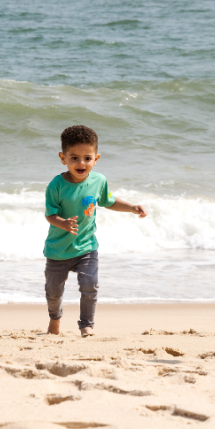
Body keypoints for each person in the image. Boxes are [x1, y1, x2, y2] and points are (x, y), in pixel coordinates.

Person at [44, 125, 146, 337]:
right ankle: (55, 321)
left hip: (87, 247)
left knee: (90, 286)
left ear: (96, 158)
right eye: (74, 158)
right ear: (63, 158)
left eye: (87, 158)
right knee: (53, 292)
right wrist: (62, 223)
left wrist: (131, 207)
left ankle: (86, 325)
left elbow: (109, 201)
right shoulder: (56, 185)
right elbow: (49, 214)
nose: (81, 163)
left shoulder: (98, 181)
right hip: (58, 250)